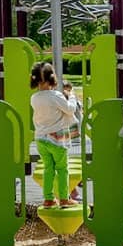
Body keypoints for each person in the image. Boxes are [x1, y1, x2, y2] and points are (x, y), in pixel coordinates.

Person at [30, 61, 81, 208]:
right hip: (57, 139)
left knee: (48, 169)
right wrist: (71, 95)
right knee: (62, 169)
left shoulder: (34, 98)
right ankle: (64, 198)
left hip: (40, 139)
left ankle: (48, 199)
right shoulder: (55, 95)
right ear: (52, 78)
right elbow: (70, 109)